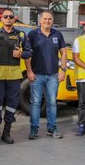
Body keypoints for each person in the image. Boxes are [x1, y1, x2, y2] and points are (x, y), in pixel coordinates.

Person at [0, 8, 32, 146]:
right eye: (6, 16)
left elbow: (29, 52)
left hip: (13, 75)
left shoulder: (21, 35)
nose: (8, 19)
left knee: (11, 105)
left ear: (14, 18)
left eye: (11, 16)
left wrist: (21, 54)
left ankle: (7, 133)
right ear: (1, 19)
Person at [25, 10, 67, 139]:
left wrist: (63, 70)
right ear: (40, 21)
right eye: (45, 19)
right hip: (37, 75)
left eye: (50, 19)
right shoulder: (32, 34)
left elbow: (64, 53)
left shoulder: (57, 34)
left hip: (53, 75)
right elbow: (27, 54)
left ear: (52, 21)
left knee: (52, 103)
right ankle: (34, 129)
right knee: (36, 103)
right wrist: (29, 71)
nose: (47, 21)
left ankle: (52, 128)